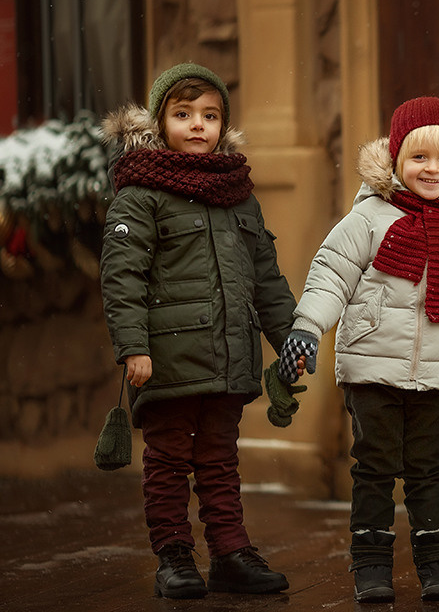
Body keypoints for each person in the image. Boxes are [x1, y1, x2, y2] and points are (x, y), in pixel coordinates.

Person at [281, 96, 439, 604]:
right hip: (371, 369)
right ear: (396, 159)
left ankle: (437, 564)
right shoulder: (369, 219)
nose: (432, 169)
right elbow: (331, 275)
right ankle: (371, 565)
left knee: (428, 469)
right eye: (419, 157)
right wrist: (308, 327)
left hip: (437, 373)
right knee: (374, 467)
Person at [100, 63, 296, 599]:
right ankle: (174, 557)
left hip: (229, 357)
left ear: (222, 125)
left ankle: (230, 554)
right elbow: (122, 276)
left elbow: (266, 279)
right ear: (160, 122)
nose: (197, 125)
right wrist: (133, 347)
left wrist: (289, 341)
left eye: (209, 116)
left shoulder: (239, 196)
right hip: (166, 360)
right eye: (183, 114)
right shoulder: (141, 193)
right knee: (168, 461)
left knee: (219, 460)